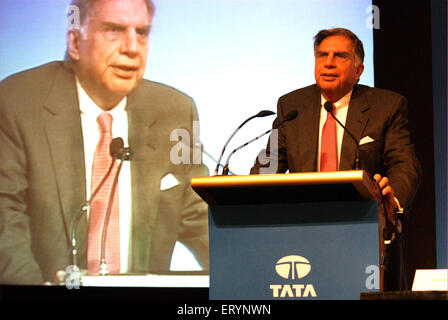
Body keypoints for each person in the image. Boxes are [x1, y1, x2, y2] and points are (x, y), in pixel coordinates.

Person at [0, 0, 209, 285]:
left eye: (142, 33)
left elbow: (200, 217)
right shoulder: (17, 102)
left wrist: (259, 265)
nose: (132, 48)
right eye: (114, 30)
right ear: (75, 42)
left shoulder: (174, 111)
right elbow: (5, 221)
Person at [251, 28, 421, 289]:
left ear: (358, 70)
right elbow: (270, 163)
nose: (328, 62)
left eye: (340, 56)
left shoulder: (388, 106)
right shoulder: (291, 106)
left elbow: (404, 163)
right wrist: (247, 194)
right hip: (300, 235)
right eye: (322, 55)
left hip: (363, 233)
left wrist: (391, 202)